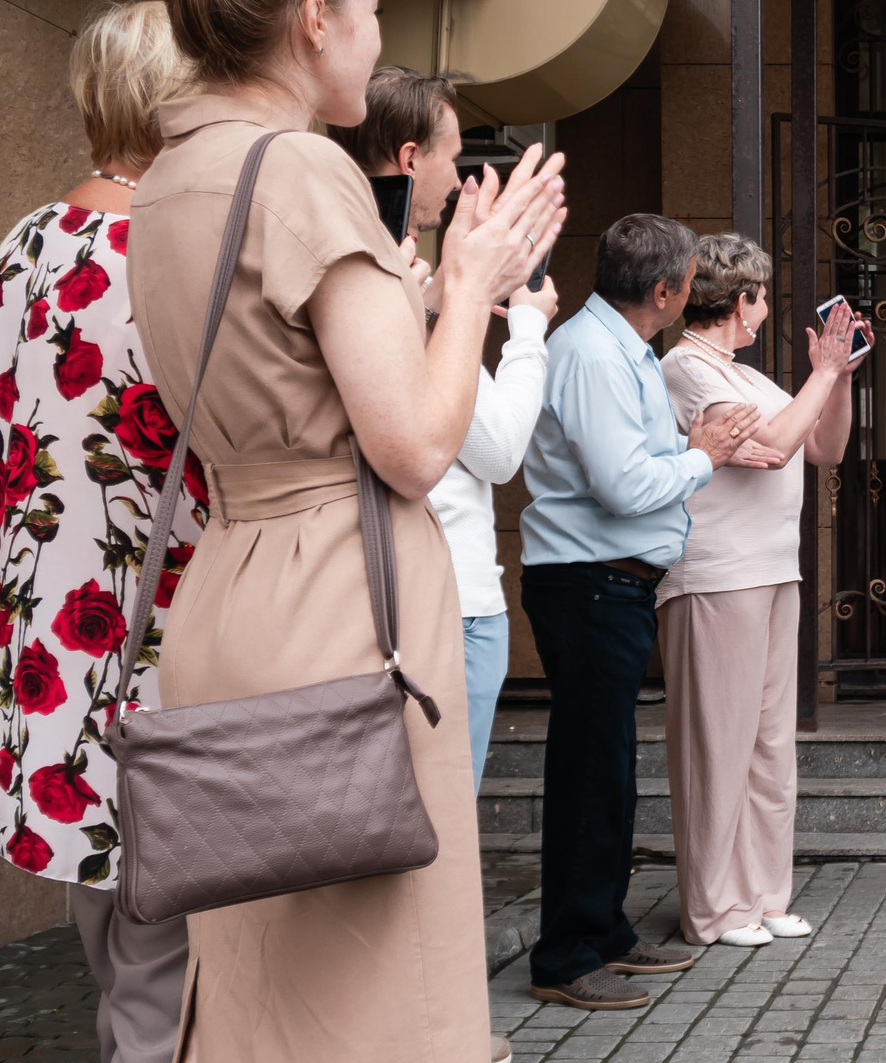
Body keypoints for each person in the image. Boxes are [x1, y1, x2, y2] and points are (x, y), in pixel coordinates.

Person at [120, 0, 562, 1063]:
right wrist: (473, 286)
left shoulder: (173, 173)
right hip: (331, 607)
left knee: (225, 1042)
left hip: (230, 597)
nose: (377, 40)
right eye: (371, 6)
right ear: (315, 20)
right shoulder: (302, 170)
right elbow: (415, 441)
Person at [0, 0, 200, 1063]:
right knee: (163, 1041)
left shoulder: (19, 250)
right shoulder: (154, 255)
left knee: (138, 1017)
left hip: (50, 712)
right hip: (158, 701)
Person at [521, 214, 756, 1009]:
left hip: (610, 581)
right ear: (664, 290)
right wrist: (704, 457)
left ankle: (603, 929)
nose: (694, 290)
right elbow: (622, 487)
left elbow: (630, 465)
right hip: (588, 579)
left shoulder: (619, 348)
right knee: (590, 771)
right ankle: (564, 952)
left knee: (609, 767)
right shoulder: (592, 354)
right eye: (689, 278)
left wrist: (684, 447)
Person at [334, 66, 556, 801]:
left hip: (357, 591)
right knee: (437, 826)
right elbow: (495, 449)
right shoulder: (402, 285)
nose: (459, 181)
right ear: (408, 158)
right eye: (452, 158)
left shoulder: (358, 263)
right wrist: (525, 325)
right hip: (447, 599)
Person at [656, 235, 854, 946]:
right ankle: (715, 907)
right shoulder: (684, 367)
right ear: (739, 300)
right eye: (762, 295)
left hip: (774, 569)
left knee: (771, 745)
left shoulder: (746, 375)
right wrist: (816, 383)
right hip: (717, 574)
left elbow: (819, 445)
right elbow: (775, 442)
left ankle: (765, 894)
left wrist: (840, 377)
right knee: (721, 744)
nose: (768, 309)